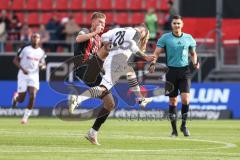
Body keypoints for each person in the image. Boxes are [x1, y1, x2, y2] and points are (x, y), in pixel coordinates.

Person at [70, 25, 155, 145]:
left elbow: (105, 36)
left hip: (109, 59)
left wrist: (107, 44)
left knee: (130, 72)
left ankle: (140, 99)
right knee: (103, 89)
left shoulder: (119, 30)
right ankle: (79, 99)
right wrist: (145, 56)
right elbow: (132, 45)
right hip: (118, 61)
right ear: (144, 32)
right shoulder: (137, 33)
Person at [149, 15, 200, 137]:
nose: (177, 25)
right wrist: (153, 63)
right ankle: (174, 130)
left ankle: (184, 125)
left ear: (182, 24)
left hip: (184, 71)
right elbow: (156, 52)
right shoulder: (165, 38)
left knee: (186, 99)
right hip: (171, 71)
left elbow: (193, 53)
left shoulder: (188, 38)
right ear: (171, 25)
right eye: (174, 23)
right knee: (172, 101)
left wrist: (195, 62)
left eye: (178, 23)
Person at [11, 33, 46, 124]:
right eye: (34, 37)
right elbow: (15, 60)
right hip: (23, 75)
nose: (35, 39)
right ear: (31, 38)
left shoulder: (41, 52)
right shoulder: (25, 49)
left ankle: (25, 118)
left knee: (32, 95)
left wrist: (42, 66)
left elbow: (43, 64)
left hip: (34, 76)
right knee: (21, 99)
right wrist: (23, 69)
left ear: (39, 39)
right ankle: (16, 98)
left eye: (37, 37)